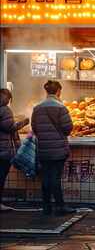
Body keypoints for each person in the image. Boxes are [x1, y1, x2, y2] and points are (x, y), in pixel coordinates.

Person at [31, 81, 74, 216]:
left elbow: (34, 128)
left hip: (43, 148)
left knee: (46, 177)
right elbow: (68, 128)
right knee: (55, 177)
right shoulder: (61, 108)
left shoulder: (37, 108)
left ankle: (46, 206)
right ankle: (60, 206)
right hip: (58, 149)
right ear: (58, 91)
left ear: (46, 91)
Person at [0, 89, 29, 212]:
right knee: (1, 176)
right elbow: (10, 127)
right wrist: (24, 122)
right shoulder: (5, 110)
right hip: (3, 150)